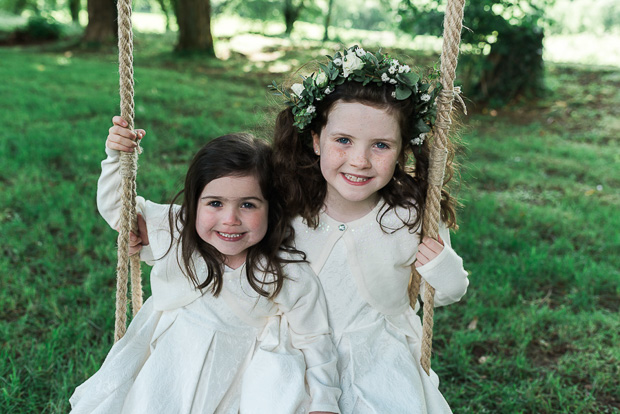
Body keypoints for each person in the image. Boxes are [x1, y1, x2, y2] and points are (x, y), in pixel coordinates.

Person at [70, 118, 340, 414]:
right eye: (215, 203)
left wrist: (323, 402)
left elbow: (314, 339)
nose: (230, 219)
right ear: (194, 202)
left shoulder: (286, 273)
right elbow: (118, 210)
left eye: (248, 205)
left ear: (271, 207)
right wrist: (116, 157)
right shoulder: (176, 232)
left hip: (239, 379)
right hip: (171, 367)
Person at [270, 46, 469, 413]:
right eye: (343, 140)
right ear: (316, 140)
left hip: (377, 353)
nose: (359, 161)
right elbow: (212, 236)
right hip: (296, 350)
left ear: (402, 151)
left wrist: (441, 266)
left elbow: (444, 294)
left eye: (380, 145)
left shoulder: (410, 215)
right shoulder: (286, 201)